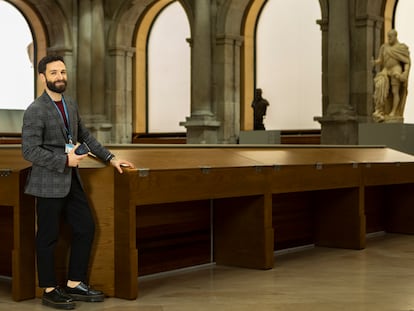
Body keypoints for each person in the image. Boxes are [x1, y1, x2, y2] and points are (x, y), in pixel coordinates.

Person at [22, 55, 135, 309]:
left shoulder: (70, 104)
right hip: (48, 182)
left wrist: (111, 157)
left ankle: (75, 283)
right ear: (42, 77)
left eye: (62, 72)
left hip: (71, 181)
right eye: (53, 73)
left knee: (86, 227)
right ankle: (50, 289)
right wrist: (64, 160)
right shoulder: (35, 110)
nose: (60, 77)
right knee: (48, 237)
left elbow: (84, 136)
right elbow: (29, 151)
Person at [371, 29, 411, 122]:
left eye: (390, 36)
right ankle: (379, 110)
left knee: (395, 91)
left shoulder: (401, 48)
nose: (388, 38)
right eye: (388, 36)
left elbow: (407, 62)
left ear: (395, 36)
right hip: (386, 69)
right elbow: (380, 60)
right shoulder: (384, 47)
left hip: (396, 69)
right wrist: (374, 62)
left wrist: (405, 72)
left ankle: (394, 111)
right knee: (379, 85)